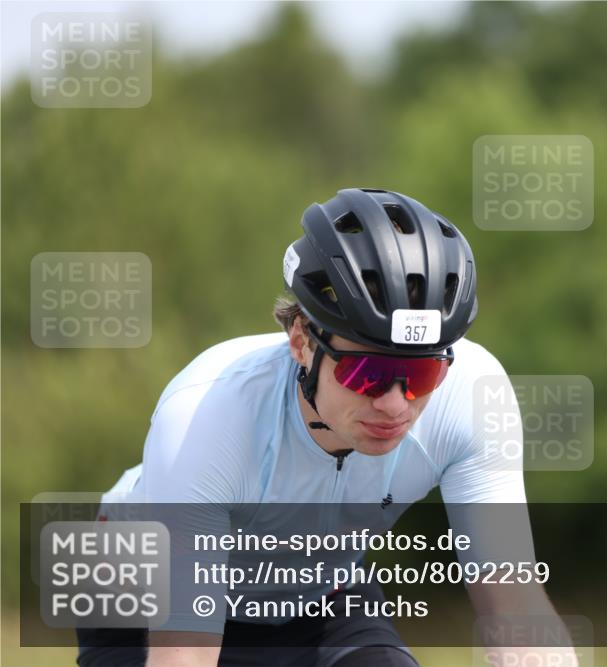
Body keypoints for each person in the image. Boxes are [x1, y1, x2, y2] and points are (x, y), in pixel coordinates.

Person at [77, 189, 568, 666]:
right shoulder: (206, 415)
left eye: (422, 373)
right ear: (301, 342)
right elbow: (184, 653)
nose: (395, 403)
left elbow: (513, 602)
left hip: (314, 596)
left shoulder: (472, 393)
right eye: (366, 373)